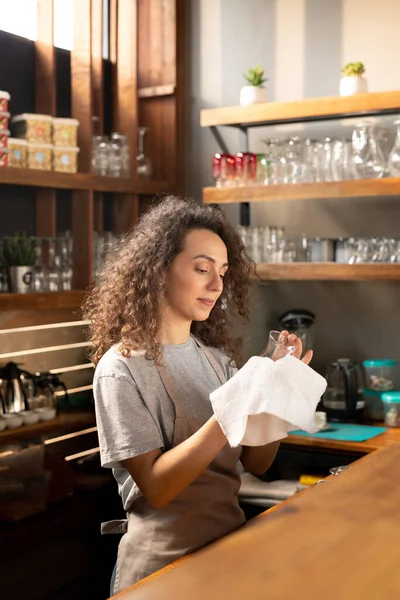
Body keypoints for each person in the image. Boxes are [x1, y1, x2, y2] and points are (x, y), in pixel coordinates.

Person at [84, 196, 312, 595]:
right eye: (202, 268)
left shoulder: (217, 361)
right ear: (158, 271)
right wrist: (232, 406)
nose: (217, 284)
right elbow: (157, 488)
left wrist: (277, 391)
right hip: (161, 569)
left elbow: (258, 461)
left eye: (222, 271)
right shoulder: (119, 370)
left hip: (227, 554)